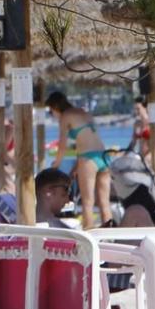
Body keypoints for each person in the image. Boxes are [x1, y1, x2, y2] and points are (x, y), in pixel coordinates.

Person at [46, 91, 112, 227]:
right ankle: (112, 238)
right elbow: (86, 140)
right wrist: (75, 168)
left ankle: (88, 239)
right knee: (104, 203)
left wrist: (55, 166)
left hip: (88, 158)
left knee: (87, 203)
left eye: (51, 111)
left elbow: (62, 146)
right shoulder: (82, 112)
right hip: (104, 156)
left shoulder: (65, 116)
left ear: (55, 107)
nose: (52, 114)